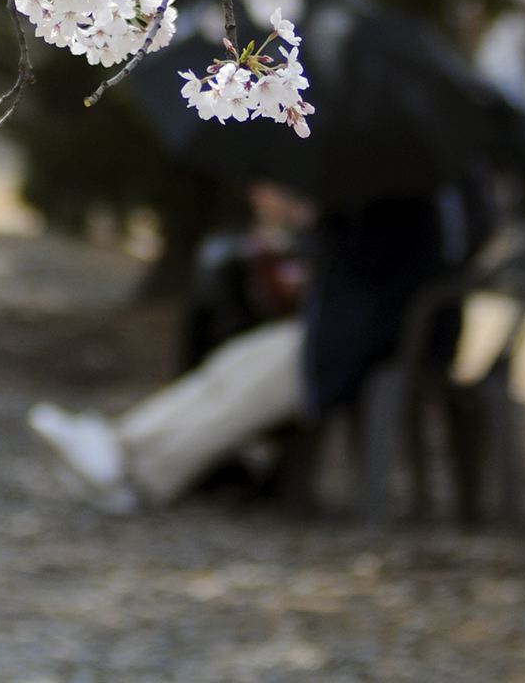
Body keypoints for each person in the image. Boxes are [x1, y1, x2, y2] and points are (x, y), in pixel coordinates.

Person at [28, 180, 487, 511]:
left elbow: (370, 266)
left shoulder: (411, 189)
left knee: (244, 393)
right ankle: (120, 447)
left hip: (373, 343)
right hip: (346, 333)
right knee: (231, 366)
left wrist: (313, 219)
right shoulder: (418, 186)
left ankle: (140, 474)